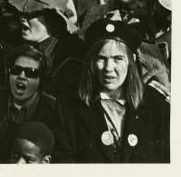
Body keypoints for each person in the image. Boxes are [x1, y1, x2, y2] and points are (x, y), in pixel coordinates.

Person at [59, 19, 169, 162]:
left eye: (118, 58)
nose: (108, 68)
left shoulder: (156, 103)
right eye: (101, 58)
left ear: (131, 60)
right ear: (91, 61)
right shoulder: (70, 103)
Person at [0, 45, 64, 163]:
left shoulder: (54, 110)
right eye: (16, 70)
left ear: (41, 80)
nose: (21, 76)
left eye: (31, 72)